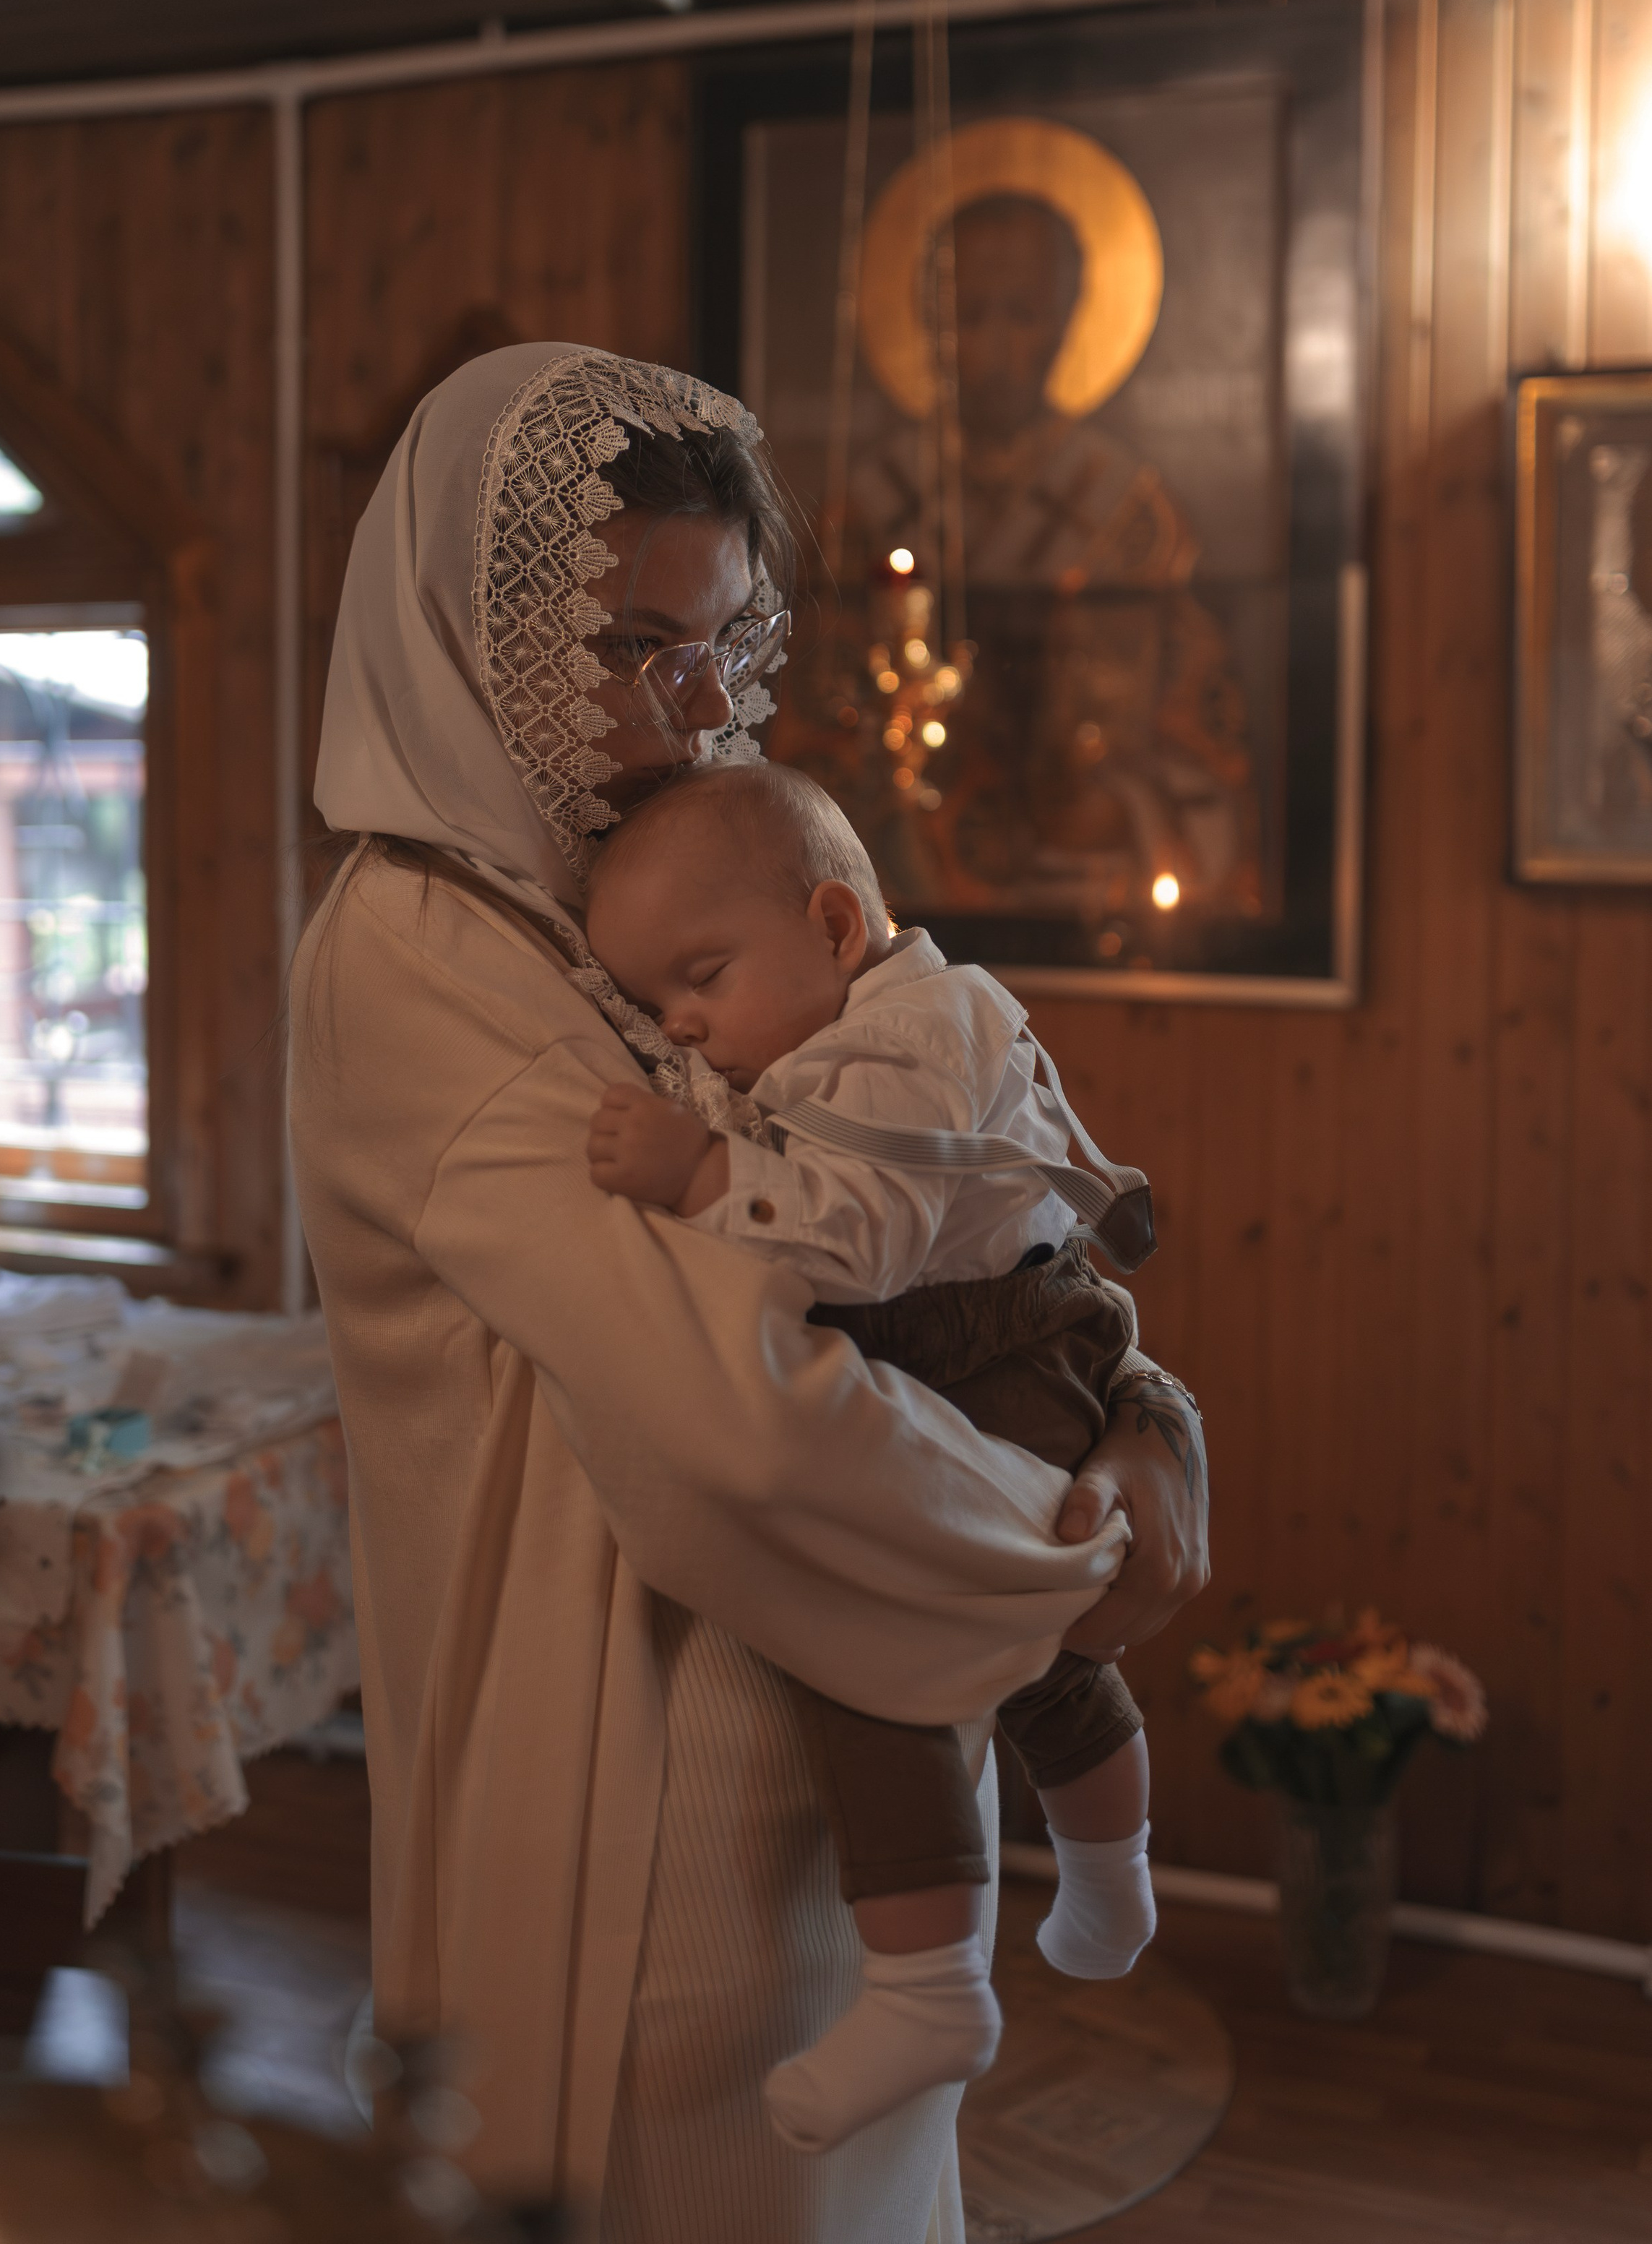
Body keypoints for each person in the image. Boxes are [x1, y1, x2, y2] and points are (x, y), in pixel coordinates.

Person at [291, 343, 1209, 2244]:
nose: (698, 706)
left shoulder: (648, 888)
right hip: (635, 1792)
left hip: (829, 1728)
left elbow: (969, 1202)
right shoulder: (420, 951)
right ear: (478, 633)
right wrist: (1064, 1550)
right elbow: (742, 1394)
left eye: (715, 639)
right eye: (632, 644)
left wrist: (1140, 1423)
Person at [583, 761, 1166, 2157]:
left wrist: (697, 1174)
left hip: (991, 1346)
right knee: (1045, 1653)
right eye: (657, 1005)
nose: (685, 1027)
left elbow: (864, 1241)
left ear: (837, 927)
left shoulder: (902, 1049)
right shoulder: (897, 1008)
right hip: (1025, 1336)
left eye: (704, 978)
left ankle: (930, 1989)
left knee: (886, 1648)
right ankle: (1110, 1877)